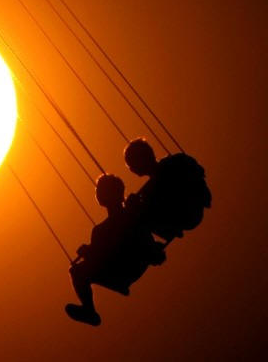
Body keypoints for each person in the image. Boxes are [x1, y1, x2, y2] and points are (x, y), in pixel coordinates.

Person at [65, 174, 160, 326]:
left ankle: (89, 310)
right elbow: (101, 255)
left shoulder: (110, 226)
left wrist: (87, 252)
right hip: (132, 265)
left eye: (100, 190)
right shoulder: (129, 214)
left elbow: (102, 257)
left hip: (125, 267)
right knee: (79, 269)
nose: (98, 193)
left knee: (76, 271)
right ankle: (91, 309)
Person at [124, 138, 212, 242]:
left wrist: (134, 208)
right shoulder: (178, 160)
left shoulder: (148, 195)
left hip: (185, 215)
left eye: (132, 166)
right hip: (193, 211)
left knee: (138, 213)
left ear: (136, 169)